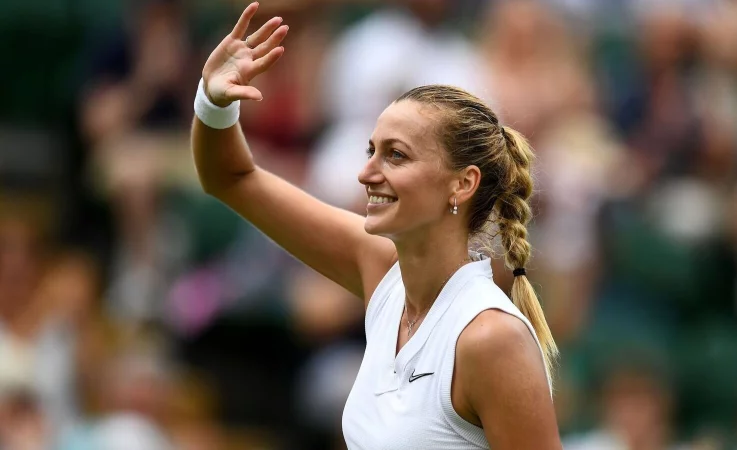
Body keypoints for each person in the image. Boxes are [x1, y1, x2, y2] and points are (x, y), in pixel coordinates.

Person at [190, 3, 561, 449]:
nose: (366, 173)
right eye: (371, 151)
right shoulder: (384, 273)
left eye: (396, 155)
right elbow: (229, 178)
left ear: (462, 184)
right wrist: (213, 101)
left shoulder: (491, 338)